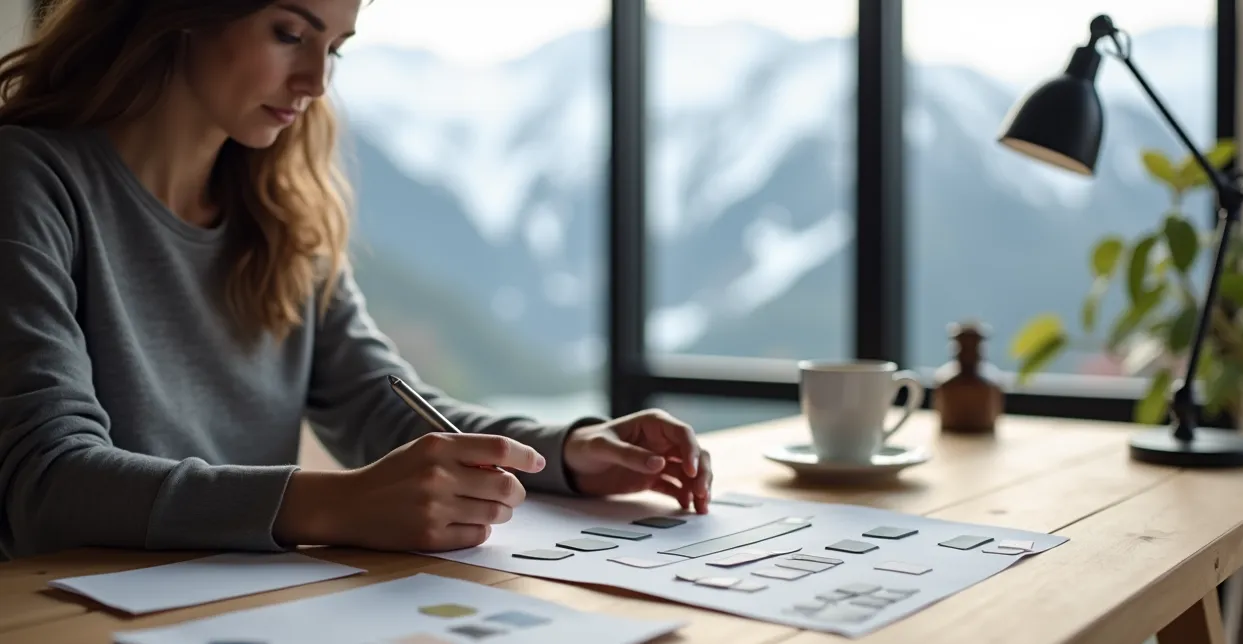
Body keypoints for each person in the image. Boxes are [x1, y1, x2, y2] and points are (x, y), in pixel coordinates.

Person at [0, 0, 712, 561]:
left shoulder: (280, 217)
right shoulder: (29, 179)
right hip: (65, 617)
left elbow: (385, 407)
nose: (314, 82)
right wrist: (335, 506)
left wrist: (567, 451)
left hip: (224, 610)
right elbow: (50, 481)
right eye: (289, 33)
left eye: (333, 49)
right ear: (178, 12)